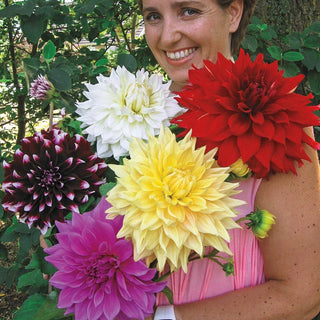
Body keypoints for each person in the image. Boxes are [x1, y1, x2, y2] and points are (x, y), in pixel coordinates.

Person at [137, 0, 320, 319]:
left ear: (233, 13)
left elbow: (300, 295)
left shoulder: (277, 119)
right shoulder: (126, 113)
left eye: (188, 11)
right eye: (154, 16)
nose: (167, 37)